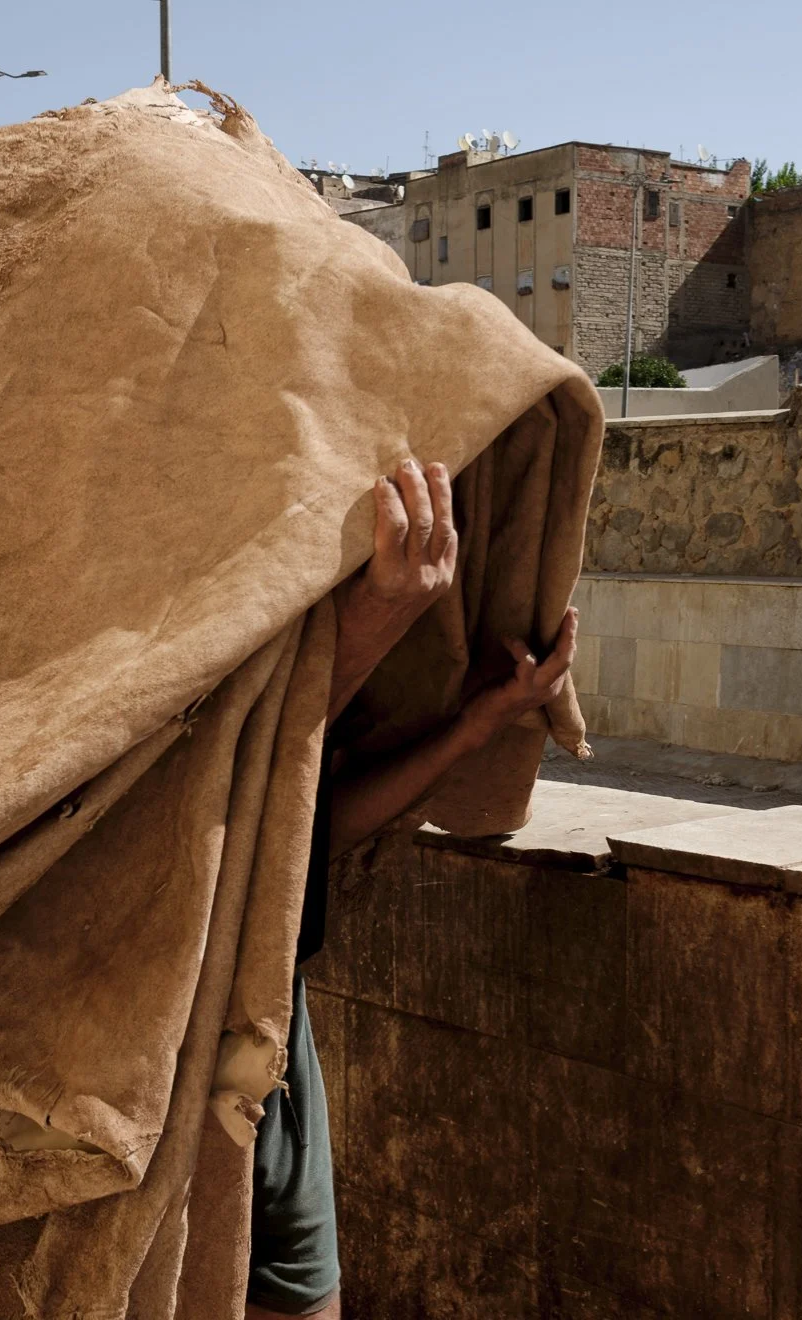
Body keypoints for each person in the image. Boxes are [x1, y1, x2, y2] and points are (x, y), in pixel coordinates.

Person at [244, 458, 579, 1319]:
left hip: (277, 1053)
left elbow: (304, 827)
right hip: (165, 1059)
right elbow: (215, 779)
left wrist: (479, 724)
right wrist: (377, 621)